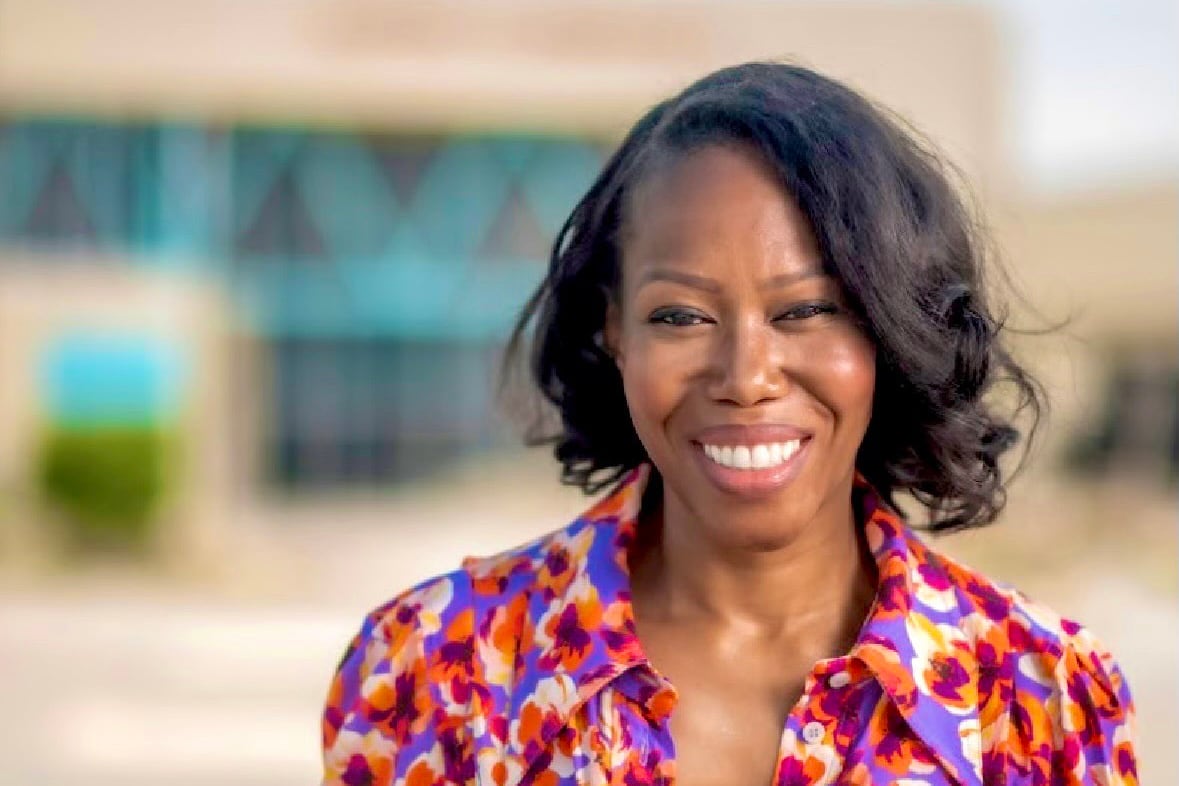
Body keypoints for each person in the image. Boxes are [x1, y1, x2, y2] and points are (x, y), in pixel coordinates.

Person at [321, 62, 1137, 786]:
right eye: (679, 315)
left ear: (890, 330)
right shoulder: (432, 668)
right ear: (614, 330)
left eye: (810, 309)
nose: (745, 378)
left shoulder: (1042, 696)